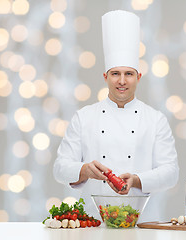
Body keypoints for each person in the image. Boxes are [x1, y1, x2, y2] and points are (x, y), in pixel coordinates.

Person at [53, 10, 179, 219]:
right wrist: (84, 169)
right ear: (105, 76)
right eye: (115, 74)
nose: (122, 81)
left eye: (128, 74)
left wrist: (137, 179)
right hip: (94, 223)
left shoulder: (155, 119)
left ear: (138, 76)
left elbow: (171, 173)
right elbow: (59, 168)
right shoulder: (84, 117)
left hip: (143, 223)